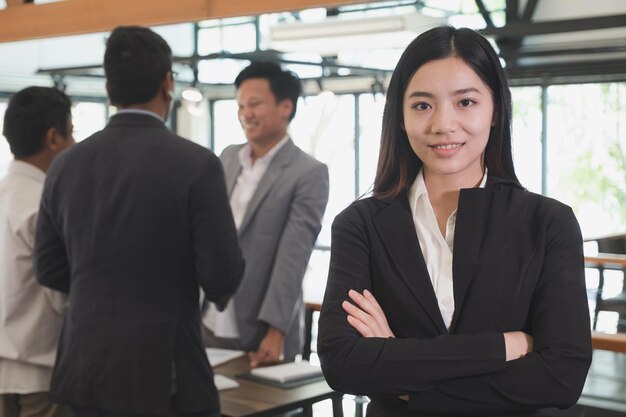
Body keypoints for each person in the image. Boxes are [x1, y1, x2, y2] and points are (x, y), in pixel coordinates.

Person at [317, 26, 592, 417]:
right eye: (422, 105)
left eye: (465, 102)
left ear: (496, 110)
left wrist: (400, 371)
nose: (443, 124)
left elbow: (562, 376)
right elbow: (342, 362)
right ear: (400, 116)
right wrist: (503, 346)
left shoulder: (548, 223)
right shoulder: (361, 225)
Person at [34, 26, 244, 417]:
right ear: (168, 83)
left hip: (85, 368)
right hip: (166, 373)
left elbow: (48, 268)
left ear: (110, 88)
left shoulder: (65, 165)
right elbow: (222, 275)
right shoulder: (196, 164)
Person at [201, 61, 329, 368]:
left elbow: (293, 256)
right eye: (240, 105)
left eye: (255, 104)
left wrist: (276, 330)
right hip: (207, 318)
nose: (245, 113)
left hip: (258, 327)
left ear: (286, 106)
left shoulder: (307, 173)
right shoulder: (228, 157)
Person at [0, 86, 74, 417]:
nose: (73, 144)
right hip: (40, 371)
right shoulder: (47, 206)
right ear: (53, 138)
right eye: (71, 133)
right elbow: (66, 289)